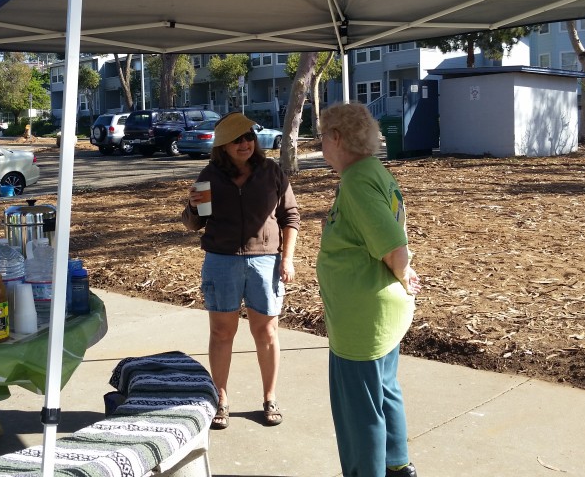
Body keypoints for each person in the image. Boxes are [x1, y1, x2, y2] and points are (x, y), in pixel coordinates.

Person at [316, 103, 423, 477]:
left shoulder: (358, 181)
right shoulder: (373, 170)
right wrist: (403, 272)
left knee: (359, 410)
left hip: (363, 321)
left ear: (337, 137)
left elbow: (393, 244)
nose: (321, 145)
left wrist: (404, 268)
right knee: (385, 390)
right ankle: (397, 465)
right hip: (380, 315)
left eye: (322, 137)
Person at [181, 112, 300, 430]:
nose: (245, 143)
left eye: (248, 136)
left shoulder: (271, 172)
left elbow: (291, 218)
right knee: (222, 333)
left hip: (266, 262)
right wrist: (192, 207)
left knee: (267, 332)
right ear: (223, 146)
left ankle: (270, 397)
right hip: (222, 261)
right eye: (237, 139)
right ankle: (221, 399)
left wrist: (287, 260)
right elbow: (195, 223)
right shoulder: (210, 175)